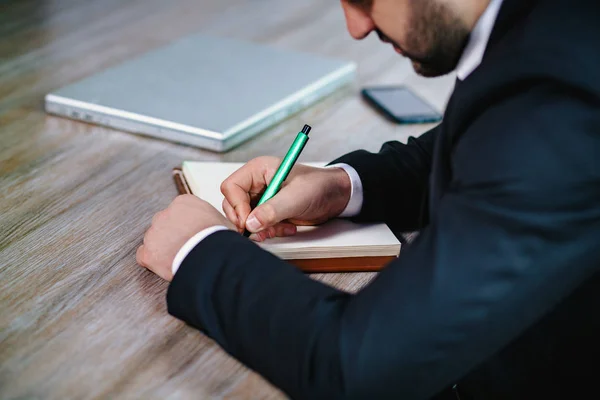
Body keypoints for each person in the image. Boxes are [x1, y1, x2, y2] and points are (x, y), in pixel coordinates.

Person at [136, 0, 600, 398]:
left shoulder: (559, 105)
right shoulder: (554, 25)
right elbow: (488, 145)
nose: (356, 27)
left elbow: (358, 369)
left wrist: (196, 253)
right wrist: (342, 186)